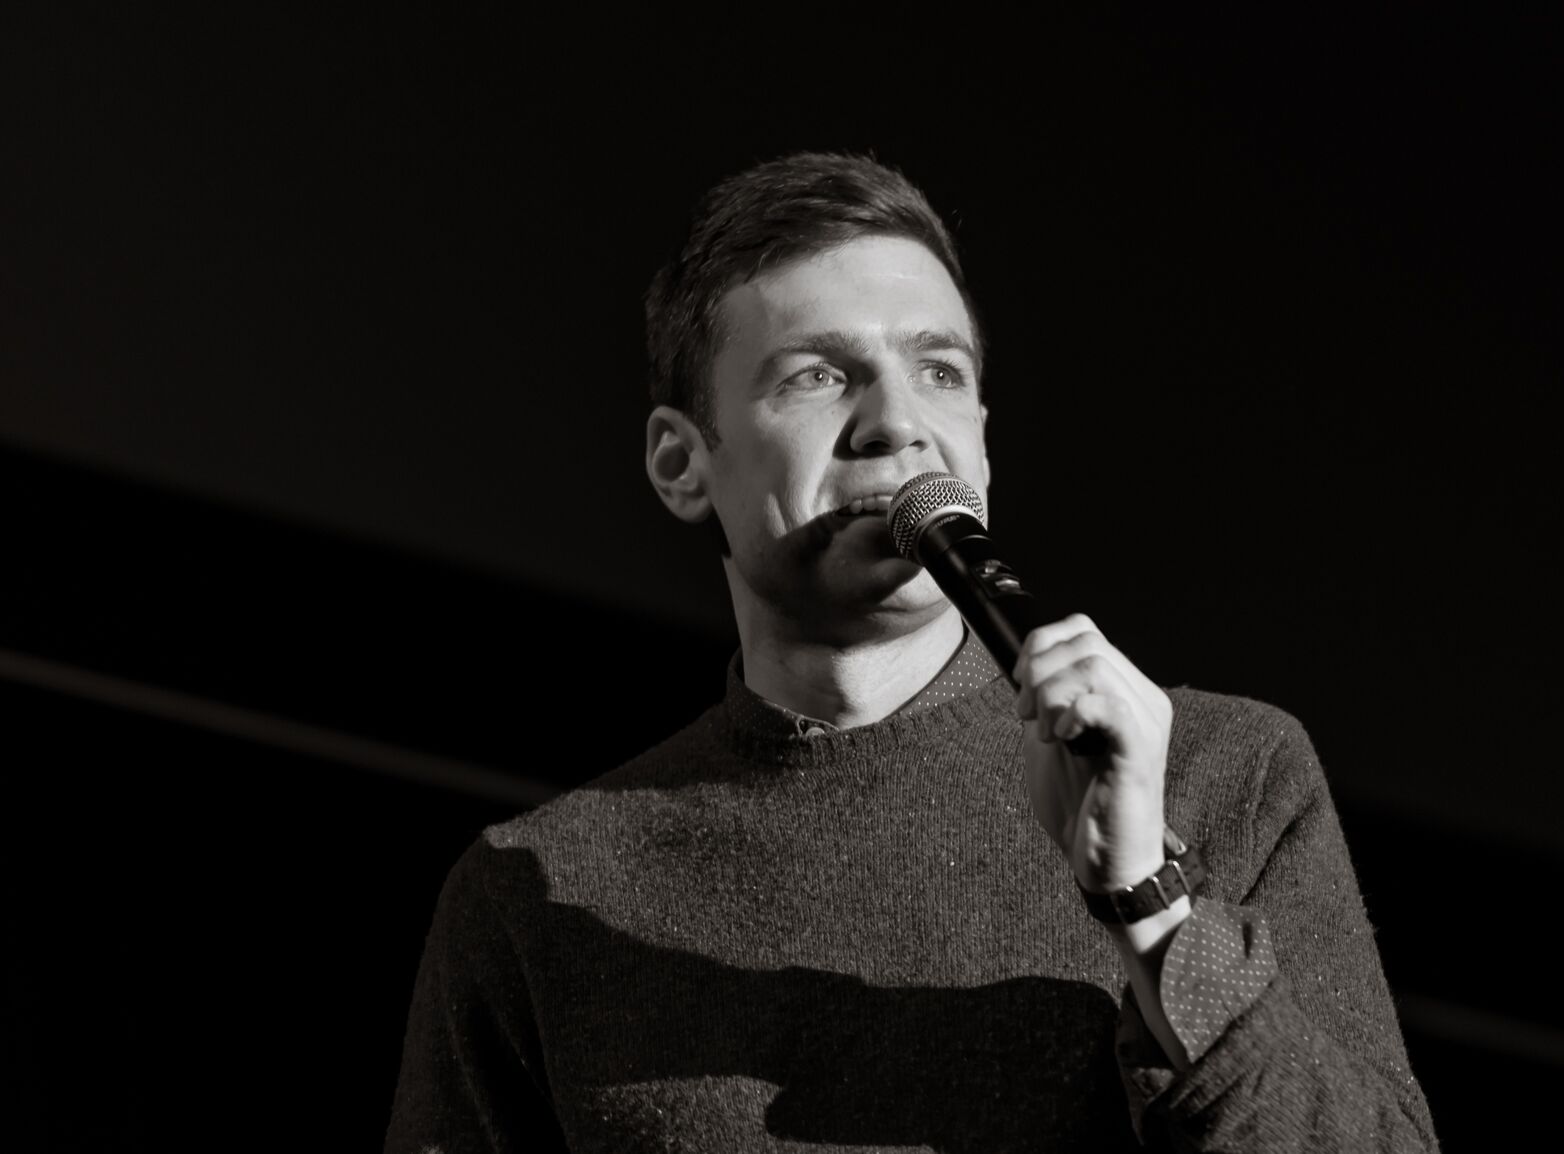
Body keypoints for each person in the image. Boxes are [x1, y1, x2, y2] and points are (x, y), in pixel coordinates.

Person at [385, 151, 1440, 1152]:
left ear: (980, 436)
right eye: (816, 375)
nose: (897, 422)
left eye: (938, 370)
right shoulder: (539, 889)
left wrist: (1148, 901)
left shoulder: (1220, 771)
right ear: (681, 462)